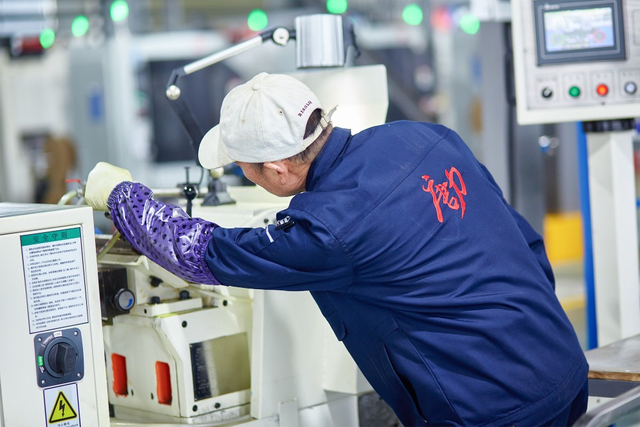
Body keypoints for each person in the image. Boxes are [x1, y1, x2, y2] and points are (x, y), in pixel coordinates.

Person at [85, 72, 588, 426]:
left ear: (278, 170)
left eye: (244, 167)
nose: (243, 176)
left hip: (491, 412)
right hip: (563, 370)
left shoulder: (327, 230)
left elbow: (200, 252)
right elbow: (523, 241)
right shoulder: (427, 139)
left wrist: (121, 198)